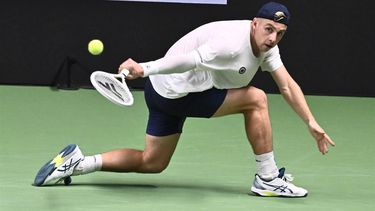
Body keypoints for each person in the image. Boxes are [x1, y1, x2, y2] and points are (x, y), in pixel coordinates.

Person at [34, 1, 335, 197]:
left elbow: (287, 85)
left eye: (279, 33)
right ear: (254, 23)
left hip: (170, 91)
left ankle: (78, 163)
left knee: (152, 162)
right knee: (255, 99)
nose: (272, 38)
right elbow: (188, 61)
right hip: (176, 92)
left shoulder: (267, 47)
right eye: (268, 29)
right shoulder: (229, 45)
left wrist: (310, 121)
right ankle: (267, 178)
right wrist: (144, 68)